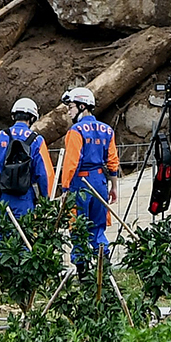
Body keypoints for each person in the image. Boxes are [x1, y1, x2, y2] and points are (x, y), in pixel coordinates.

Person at [58, 86, 120, 267]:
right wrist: (114, 187)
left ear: (82, 106)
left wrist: (65, 189)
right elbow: (112, 161)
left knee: (78, 230)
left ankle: (83, 276)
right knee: (98, 229)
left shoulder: (76, 131)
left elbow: (71, 164)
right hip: (100, 182)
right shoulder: (107, 130)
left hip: (80, 183)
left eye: (71, 107)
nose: (69, 112)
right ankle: (104, 273)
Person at [0, 97, 53, 233]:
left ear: (14, 115)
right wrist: (45, 199)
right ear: (32, 118)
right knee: (24, 238)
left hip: (3, 195)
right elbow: (44, 173)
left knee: (2, 239)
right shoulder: (37, 140)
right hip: (25, 196)